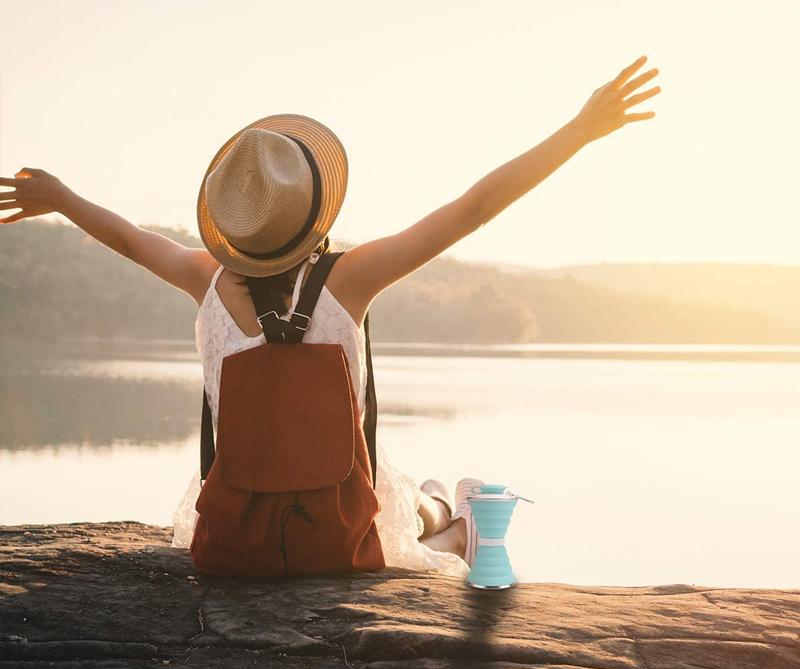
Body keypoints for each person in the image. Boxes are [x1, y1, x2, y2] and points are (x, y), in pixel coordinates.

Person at [0, 54, 660, 576]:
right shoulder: (352, 278)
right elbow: (473, 208)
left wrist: (61, 197)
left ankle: (439, 498)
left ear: (232, 229)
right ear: (314, 215)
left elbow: (128, 239)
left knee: (397, 492)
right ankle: (465, 517)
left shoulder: (203, 279)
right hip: (342, 541)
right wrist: (579, 130)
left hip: (236, 542)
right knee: (407, 511)